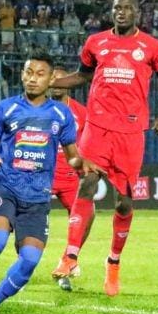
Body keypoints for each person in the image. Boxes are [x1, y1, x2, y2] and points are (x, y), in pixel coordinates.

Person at [0, 52, 98, 314]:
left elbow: (72, 156)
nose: (32, 78)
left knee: (29, 261)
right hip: (5, 187)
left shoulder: (61, 114)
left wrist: (83, 164)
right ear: (22, 75)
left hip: (37, 197)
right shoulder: (5, 108)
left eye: (40, 73)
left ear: (51, 79)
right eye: (28, 72)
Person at [49, 0, 158, 296]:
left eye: (128, 8)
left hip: (131, 133)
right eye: (117, 7)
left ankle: (113, 263)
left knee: (125, 202)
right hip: (98, 127)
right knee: (87, 185)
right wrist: (50, 82)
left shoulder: (152, 48)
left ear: (137, 14)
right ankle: (70, 256)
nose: (121, 12)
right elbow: (81, 76)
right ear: (112, 11)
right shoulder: (96, 43)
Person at [48, 66, 89, 291]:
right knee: (26, 219)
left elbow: (85, 145)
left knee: (86, 213)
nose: (55, 82)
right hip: (42, 173)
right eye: (52, 79)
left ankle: (68, 260)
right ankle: (23, 264)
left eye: (60, 79)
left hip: (70, 176)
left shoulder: (81, 113)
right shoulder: (39, 108)